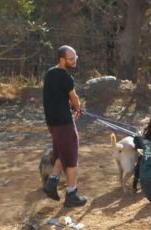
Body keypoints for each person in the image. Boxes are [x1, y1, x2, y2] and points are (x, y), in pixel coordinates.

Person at [41, 45, 87, 208]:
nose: (74, 61)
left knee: (62, 152)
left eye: (75, 58)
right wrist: (78, 108)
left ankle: (52, 182)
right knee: (72, 158)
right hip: (64, 123)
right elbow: (73, 97)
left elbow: (56, 96)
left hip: (52, 122)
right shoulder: (66, 77)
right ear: (62, 59)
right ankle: (71, 194)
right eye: (71, 59)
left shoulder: (49, 74)